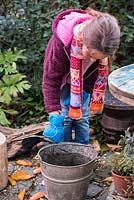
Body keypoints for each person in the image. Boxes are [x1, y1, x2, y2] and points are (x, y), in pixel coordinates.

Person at [42, 8, 120, 144]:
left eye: (98, 59)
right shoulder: (63, 41)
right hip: (63, 82)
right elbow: (51, 78)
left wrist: (86, 92)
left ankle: (82, 149)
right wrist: (54, 112)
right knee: (64, 118)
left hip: (82, 83)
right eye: (90, 56)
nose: (93, 60)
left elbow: (94, 73)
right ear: (83, 40)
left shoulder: (104, 45)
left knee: (82, 117)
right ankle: (63, 150)